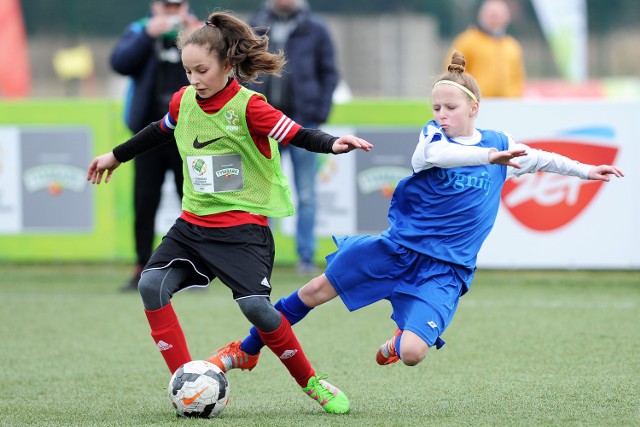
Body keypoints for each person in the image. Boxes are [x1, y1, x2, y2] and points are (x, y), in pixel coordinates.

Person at [209, 51, 623, 373]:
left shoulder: (500, 141)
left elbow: (541, 158)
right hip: (397, 248)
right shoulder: (432, 139)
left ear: (474, 108)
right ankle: (245, 351)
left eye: (450, 108)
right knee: (315, 291)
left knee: (411, 354)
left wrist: (586, 170)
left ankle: (398, 339)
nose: (441, 115)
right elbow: (443, 154)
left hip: (447, 269)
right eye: (436, 108)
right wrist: (490, 156)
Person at [87, 12, 372, 414]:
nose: (194, 79)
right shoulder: (183, 101)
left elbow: (297, 133)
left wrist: (333, 143)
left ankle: (311, 382)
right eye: (188, 71)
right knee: (151, 287)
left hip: (242, 231)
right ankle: (187, 382)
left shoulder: (250, 108)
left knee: (257, 309)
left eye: (201, 70)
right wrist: (115, 156)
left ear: (226, 64)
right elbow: (158, 130)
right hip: (192, 226)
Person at [110, 0, 202, 292]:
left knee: (192, 201)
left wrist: (196, 33)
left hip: (189, 132)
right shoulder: (139, 30)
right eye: (167, 5)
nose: (172, 11)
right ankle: (142, 266)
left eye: (178, 5)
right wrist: (148, 35)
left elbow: (224, 66)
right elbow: (120, 63)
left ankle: (196, 268)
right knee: (145, 201)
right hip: (149, 133)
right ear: (154, 5)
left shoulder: (199, 31)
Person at [247, 0, 339, 274]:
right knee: (262, 194)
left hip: (303, 123)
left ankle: (305, 258)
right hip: (264, 123)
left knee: (307, 194)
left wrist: (318, 113)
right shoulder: (254, 26)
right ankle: (261, 257)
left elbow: (329, 73)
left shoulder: (317, 28)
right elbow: (241, 67)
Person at [447, 0, 525, 98]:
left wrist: (516, 97)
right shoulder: (466, 41)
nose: (495, 18)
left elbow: (517, 78)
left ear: (507, 17)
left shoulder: (512, 46)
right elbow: (454, 73)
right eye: (491, 14)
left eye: (498, 14)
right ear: (481, 15)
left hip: (508, 105)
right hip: (476, 103)